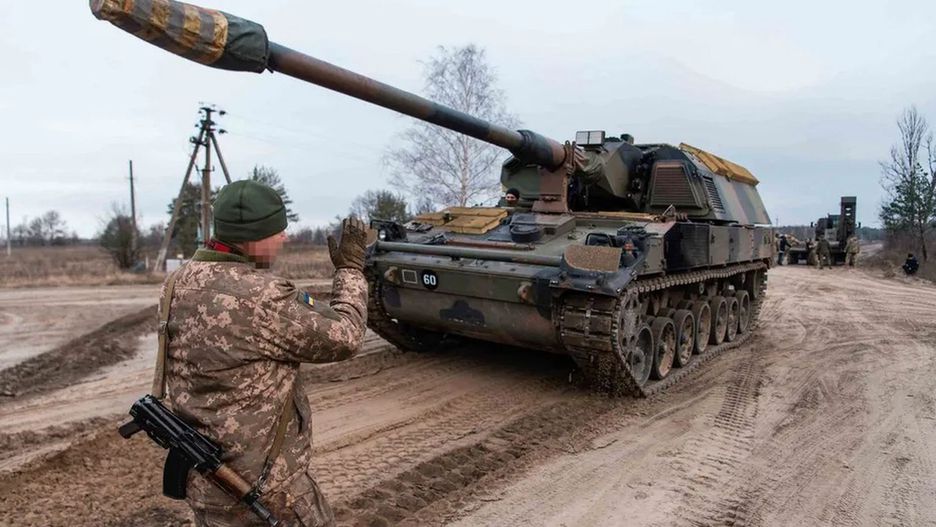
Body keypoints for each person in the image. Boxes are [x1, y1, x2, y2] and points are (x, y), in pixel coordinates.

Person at [158, 180, 370, 527]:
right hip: (266, 492)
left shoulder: (178, 282)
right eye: (277, 231)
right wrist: (350, 271)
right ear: (252, 237)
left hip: (206, 485)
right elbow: (346, 337)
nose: (284, 237)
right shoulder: (262, 297)